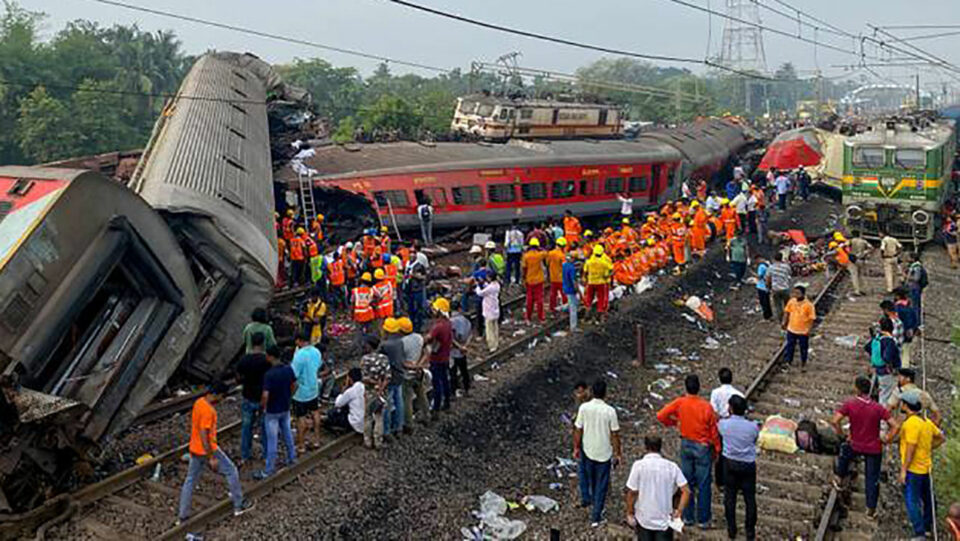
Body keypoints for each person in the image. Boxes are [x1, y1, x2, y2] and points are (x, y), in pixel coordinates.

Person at [178, 382, 251, 525]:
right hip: (207, 449)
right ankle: (239, 505)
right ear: (217, 394)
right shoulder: (209, 411)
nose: (222, 400)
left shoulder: (198, 403)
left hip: (194, 448)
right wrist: (211, 456)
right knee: (231, 471)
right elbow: (204, 434)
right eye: (222, 396)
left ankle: (183, 514)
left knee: (190, 480)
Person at [656, 374, 720, 529]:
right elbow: (714, 431)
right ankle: (704, 520)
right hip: (702, 447)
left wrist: (674, 422)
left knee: (686, 482)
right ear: (699, 387)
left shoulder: (680, 402)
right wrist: (717, 449)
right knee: (704, 484)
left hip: (686, 444)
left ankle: (688, 517)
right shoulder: (706, 407)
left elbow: (660, 415)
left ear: (686, 387)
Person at [830, 376, 894, 519]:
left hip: (855, 444)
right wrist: (887, 439)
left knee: (844, 452)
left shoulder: (850, 404)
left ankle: (839, 478)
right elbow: (895, 425)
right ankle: (870, 511)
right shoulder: (878, 408)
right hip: (874, 448)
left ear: (857, 389)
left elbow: (834, 421)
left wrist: (843, 435)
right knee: (872, 479)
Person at [885, 393, 945, 540]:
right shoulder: (926, 422)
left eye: (903, 403)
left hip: (914, 470)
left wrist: (903, 470)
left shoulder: (910, 424)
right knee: (929, 499)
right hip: (926, 468)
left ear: (906, 406)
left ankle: (919, 533)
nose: (901, 405)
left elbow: (911, 448)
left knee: (912, 500)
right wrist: (929, 448)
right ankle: (927, 527)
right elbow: (941, 438)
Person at [574, 380, 622, 528]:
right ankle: (596, 517)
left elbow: (578, 430)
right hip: (604, 453)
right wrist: (617, 453)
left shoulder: (584, 408)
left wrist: (576, 447)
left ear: (592, 392)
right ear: (605, 393)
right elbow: (615, 435)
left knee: (587, 476)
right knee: (601, 485)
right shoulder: (610, 411)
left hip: (587, 449)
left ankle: (587, 498)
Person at [625, 433, 690, 541]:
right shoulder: (671, 467)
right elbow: (686, 490)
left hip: (644, 518)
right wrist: (679, 511)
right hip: (664, 519)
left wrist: (629, 512)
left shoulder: (638, 466)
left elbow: (632, 492)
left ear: (645, 447)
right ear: (660, 447)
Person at [718, 396, 759, 541]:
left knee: (730, 497)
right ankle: (750, 531)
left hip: (730, 464)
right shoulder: (753, 426)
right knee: (750, 498)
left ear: (730, 408)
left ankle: (731, 529)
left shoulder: (723, 424)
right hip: (748, 465)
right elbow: (754, 439)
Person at [255, 347, 297, 479]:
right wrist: (289, 397)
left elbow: (265, 395)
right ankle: (292, 459)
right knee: (287, 434)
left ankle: (269, 469)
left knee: (272, 440)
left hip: (272, 411)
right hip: (285, 408)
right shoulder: (288, 369)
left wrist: (262, 407)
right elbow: (295, 385)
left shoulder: (269, 375)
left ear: (270, 357)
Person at [235, 332, 271, 465]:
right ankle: (267, 455)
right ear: (263, 343)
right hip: (264, 398)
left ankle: (245, 454)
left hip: (248, 396)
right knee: (265, 428)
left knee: (246, 427)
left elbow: (238, 376)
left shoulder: (245, 359)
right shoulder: (267, 360)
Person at [291, 331, 324, 452]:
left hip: (301, 392)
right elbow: (318, 366)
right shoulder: (316, 351)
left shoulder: (299, 355)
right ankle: (316, 440)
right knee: (315, 412)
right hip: (313, 388)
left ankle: (301, 445)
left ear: (299, 340)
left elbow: (294, 375)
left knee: (301, 417)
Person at [378, 318, 407, 440]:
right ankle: (398, 427)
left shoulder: (385, 345)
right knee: (399, 402)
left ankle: (386, 431)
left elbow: (379, 359)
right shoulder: (400, 342)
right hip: (399, 375)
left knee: (387, 405)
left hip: (389, 378)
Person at [424, 298, 453, 412]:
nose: (433, 310)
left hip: (436, 358)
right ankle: (447, 403)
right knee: (445, 380)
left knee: (437, 384)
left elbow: (428, 338)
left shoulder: (438, 326)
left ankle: (436, 407)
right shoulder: (448, 323)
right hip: (445, 357)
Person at [866, 317, 901, 405]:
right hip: (886, 371)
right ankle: (882, 417)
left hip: (877, 369)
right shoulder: (889, 341)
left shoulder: (877, 337)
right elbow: (887, 357)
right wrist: (891, 366)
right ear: (892, 328)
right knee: (885, 395)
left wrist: (874, 357)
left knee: (873, 392)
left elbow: (867, 347)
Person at [782, 285, 815, 370]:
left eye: (798, 293)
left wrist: (809, 330)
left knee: (803, 348)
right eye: (794, 293)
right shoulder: (792, 301)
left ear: (803, 294)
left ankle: (803, 362)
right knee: (790, 346)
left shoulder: (809, 305)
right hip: (791, 329)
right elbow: (787, 312)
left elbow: (811, 319)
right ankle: (789, 361)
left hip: (803, 331)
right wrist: (784, 322)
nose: (795, 295)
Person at [323, 367, 365, 434]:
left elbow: (338, 404)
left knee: (331, 413)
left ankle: (339, 428)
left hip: (355, 422)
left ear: (350, 379)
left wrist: (343, 390)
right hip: (364, 420)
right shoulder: (363, 387)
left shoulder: (350, 391)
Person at [583, 245, 614, 322]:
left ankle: (587, 315)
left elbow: (585, 272)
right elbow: (610, 271)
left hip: (591, 283)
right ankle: (601, 318)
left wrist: (586, 281)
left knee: (589, 299)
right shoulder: (604, 263)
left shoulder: (589, 262)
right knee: (601, 300)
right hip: (601, 283)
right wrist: (608, 277)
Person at [521, 238, 547, 323]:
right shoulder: (540, 255)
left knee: (529, 300)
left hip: (529, 280)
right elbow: (546, 252)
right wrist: (540, 248)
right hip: (539, 280)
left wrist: (524, 279)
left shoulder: (526, 256)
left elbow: (524, 269)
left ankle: (528, 317)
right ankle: (541, 318)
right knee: (539, 300)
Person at [449, 307, 472, 397]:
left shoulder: (451, 322)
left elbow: (451, 338)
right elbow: (470, 335)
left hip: (453, 352)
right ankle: (467, 389)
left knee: (453, 372)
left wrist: (459, 347)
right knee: (464, 371)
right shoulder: (466, 321)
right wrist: (464, 346)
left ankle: (453, 391)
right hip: (463, 352)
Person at [475, 270, 501, 352]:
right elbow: (488, 287)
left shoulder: (490, 288)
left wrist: (477, 287)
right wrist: (484, 283)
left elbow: (480, 293)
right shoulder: (497, 285)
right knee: (495, 328)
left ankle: (492, 346)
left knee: (489, 329)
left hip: (489, 311)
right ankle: (496, 343)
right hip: (495, 309)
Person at [894, 288, 920, 369]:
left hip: (898, 333)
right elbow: (915, 320)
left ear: (897, 297)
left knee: (898, 351)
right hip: (908, 333)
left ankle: (900, 367)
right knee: (906, 351)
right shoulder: (910, 308)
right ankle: (904, 367)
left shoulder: (896, 308)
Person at [403, 251, 428, 333]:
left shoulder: (419, 266)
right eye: (410, 254)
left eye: (413, 254)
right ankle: (412, 324)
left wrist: (416, 276)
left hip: (417, 289)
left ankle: (419, 326)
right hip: (408, 289)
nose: (411, 256)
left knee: (418, 308)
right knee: (410, 308)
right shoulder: (407, 264)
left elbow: (425, 277)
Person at [766, 252, 792, 321]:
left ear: (774, 259)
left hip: (775, 289)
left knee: (778, 306)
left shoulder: (771, 268)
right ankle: (789, 318)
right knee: (787, 304)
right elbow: (790, 274)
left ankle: (781, 320)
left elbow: (768, 279)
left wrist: (768, 287)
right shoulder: (786, 266)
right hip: (785, 288)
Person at [547, 237, 567, 314]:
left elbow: (547, 264)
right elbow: (564, 266)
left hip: (553, 277)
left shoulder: (550, 253)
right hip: (561, 278)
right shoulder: (562, 255)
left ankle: (552, 308)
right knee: (564, 294)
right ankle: (565, 308)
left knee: (553, 294)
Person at [562, 251, 580, 332]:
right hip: (570, 289)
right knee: (573, 309)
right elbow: (573, 281)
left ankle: (562, 308)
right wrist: (577, 290)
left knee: (572, 302)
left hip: (565, 287)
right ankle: (573, 327)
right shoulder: (571, 268)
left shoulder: (564, 265)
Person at [504, 219, 525, 286]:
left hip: (510, 251)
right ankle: (517, 280)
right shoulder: (520, 233)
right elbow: (522, 244)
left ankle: (508, 280)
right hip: (518, 251)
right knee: (517, 266)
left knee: (509, 266)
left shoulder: (508, 233)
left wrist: (506, 248)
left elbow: (506, 243)